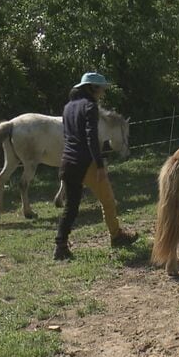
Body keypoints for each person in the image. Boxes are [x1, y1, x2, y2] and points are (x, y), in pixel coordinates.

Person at [54, 72, 138, 260]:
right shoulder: (90, 107)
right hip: (87, 163)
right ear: (92, 88)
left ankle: (60, 246)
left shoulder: (67, 108)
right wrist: (99, 165)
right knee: (107, 199)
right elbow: (91, 138)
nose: (102, 93)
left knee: (71, 208)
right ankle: (116, 236)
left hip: (67, 163)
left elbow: (69, 137)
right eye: (101, 89)